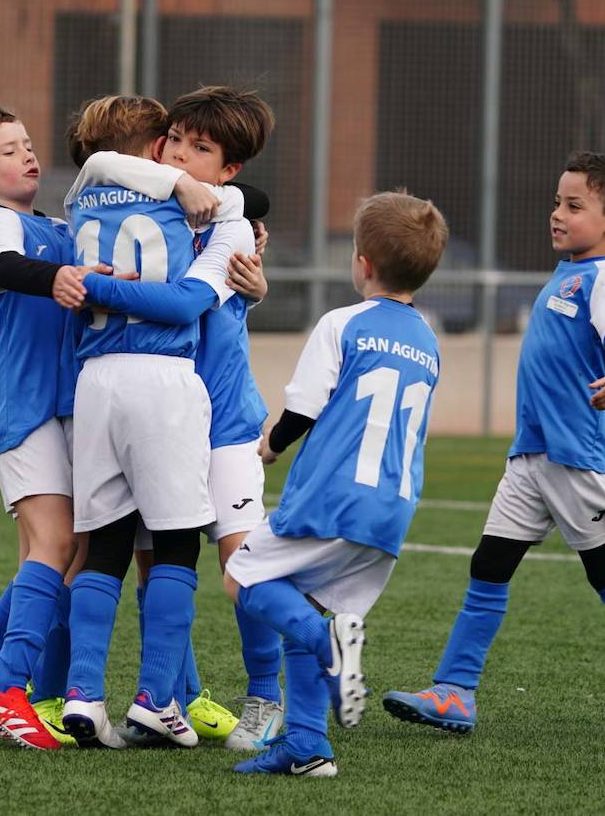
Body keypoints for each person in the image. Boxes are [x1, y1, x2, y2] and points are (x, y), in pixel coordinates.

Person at [383, 152, 605, 740]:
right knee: (489, 563)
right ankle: (455, 692)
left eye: (573, 205)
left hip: (578, 454)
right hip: (532, 453)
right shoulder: (568, 272)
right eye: (557, 202)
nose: (556, 214)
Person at [74, 87, 285, 749]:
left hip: (222, 422)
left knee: (240, 567)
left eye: (201, 149)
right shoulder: (147, 202)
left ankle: (266, 696)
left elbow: (193, 298)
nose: (182, 155)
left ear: (228, 171)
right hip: (160, 415)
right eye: (176, 141)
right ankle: (167, 700)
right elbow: (99, 164)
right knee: (149, 561)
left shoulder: (231, 222)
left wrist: (84, 283)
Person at [222, 191, 445, 777]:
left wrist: (269, 446)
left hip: (331, 498)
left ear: (363, 264)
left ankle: (333, 652)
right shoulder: (427, 341)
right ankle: (306, 746)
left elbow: (305, 408)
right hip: (391, 509)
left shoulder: (343, 323)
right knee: (299, 604)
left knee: (241, 576)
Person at [0, 105, 106, 750]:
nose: (29, 156)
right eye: (10, 150)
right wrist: (61, 277)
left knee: (66, 552)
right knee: (57, 544)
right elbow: (4, 267)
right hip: (20, 403)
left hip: (65, 406)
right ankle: (4, 690)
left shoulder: (58, 227)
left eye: (29, 145)